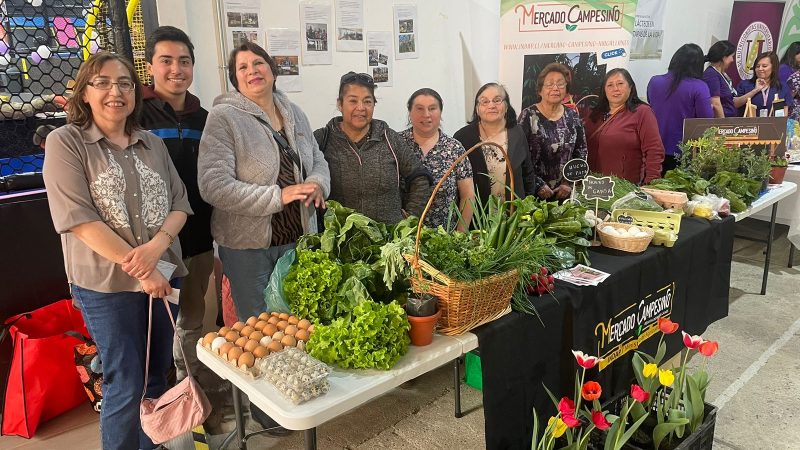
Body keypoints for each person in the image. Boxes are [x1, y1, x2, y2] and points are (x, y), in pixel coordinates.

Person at [42, 51, 191, 450]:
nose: (116, 92)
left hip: (164, 275)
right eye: (103, 83)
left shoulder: (152, 144)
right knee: (126, 381)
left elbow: (180, 204)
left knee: (156, 374)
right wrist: (144, 269)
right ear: (84, 93)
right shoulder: (66, 143)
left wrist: (157, 249)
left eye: (125, 83)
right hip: (108, 286)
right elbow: (79, 220)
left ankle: (152, 444)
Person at [198, 41, 329, 434]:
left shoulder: (294, 113)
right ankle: (269, 416)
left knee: (298, 326)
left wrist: (318, 183)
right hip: (248, 247)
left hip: (298, 239)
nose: (253, 70)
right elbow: (213, 185)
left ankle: (301, 400)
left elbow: (317, 159)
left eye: (259, 63)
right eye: (243, 67)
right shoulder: (224, 118)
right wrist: (280, 195)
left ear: (272, 70)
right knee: (261, 333)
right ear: (235, 78)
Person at [139, 26, 226, 432]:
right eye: (167, 60)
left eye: (184, 61)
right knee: (152, 331)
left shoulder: (204, 117)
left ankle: (193, 397)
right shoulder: (134, 114)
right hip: (153, 246)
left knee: (191, 321)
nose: (177, 69)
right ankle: (156, 404)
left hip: (198, 239)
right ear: (150, 65)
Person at [314, 72, 430, 224]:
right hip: (338, 241)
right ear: (340, 104)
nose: (361, 108)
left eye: (367, 101)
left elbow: (420, 177)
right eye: (353, 101)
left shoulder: (389, 138)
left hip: (388, 242)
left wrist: (410, 218)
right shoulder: (322, 139)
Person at [453, 82, 549, 206]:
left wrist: (527, 206)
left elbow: (527, 173)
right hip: (477, 215)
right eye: (484, 101)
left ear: (506, 106)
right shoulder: (463, 137)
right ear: (477, 109)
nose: (491, 105)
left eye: (497, 100)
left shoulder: (517, 132)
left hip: (513, 213)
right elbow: (456, 183)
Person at [400, 88, 475, 230]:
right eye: (419, 109)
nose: (426, 114)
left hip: (444, 239)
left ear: (440, 112)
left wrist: (460, 234)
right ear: (410, 112)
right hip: (402, 237)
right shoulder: (396, 143)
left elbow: (468, 195)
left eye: (432, 108)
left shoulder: (454, 148)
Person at [517, 63, 587, 199]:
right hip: (532, 193)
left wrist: (568, 183)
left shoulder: (573, 117)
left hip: (565, 194)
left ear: (566, 90)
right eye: (549, 84)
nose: (555, 88)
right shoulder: (528, 115)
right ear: (540, 90)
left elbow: (581, 152)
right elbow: (520, 156)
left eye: (560, 84)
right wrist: (538, 185)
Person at [584, 68, 664, 185]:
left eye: (620, 84)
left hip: (624, 188)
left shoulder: (642, 112)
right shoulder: (594, 115)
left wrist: (651, 182)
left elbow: (654, 150)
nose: (615, 89)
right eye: (610, 85)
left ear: (630, 87)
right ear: (604, 90)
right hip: (592, 187)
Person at [647, 43, 714, 173]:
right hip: (683, 150)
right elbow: (706, 121)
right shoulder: (700, 87)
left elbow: (651, 106)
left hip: (654, 147)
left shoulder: (654, 81)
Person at [737, 51, 794, 118]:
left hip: (773, 127)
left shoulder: (782, 87)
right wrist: (755, 90)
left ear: (773, 68)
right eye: (757, 66)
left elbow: (784, 114)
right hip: (749, 127)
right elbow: (736, 104)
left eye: (764, 66)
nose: (760, 69)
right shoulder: (745, 84)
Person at [703, 40, 747, 118]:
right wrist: (723, 125)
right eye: (731, 56)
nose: (732, 60)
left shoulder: (722, 75)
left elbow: (732, 101)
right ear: (724, 57)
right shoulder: (711, 75)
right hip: (721, 124)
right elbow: (715, 103)